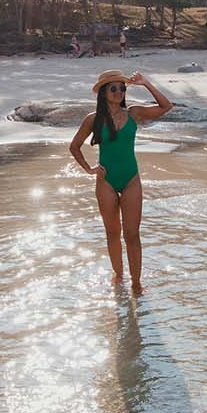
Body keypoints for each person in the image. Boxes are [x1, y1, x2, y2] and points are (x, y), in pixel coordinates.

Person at [69, 69, 173, 296]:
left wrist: (146, 83)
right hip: (105, 181)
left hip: (131, 179)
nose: (118, 92)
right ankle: (118, 275)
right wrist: (89, 169)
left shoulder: (134, 114)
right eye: (113, 88)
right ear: (104, 92)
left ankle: (136, 283)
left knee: (132, 234)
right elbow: (74, 146)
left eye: (122, 88)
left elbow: (167, 107)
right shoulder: (93, 119)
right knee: (112, 232)